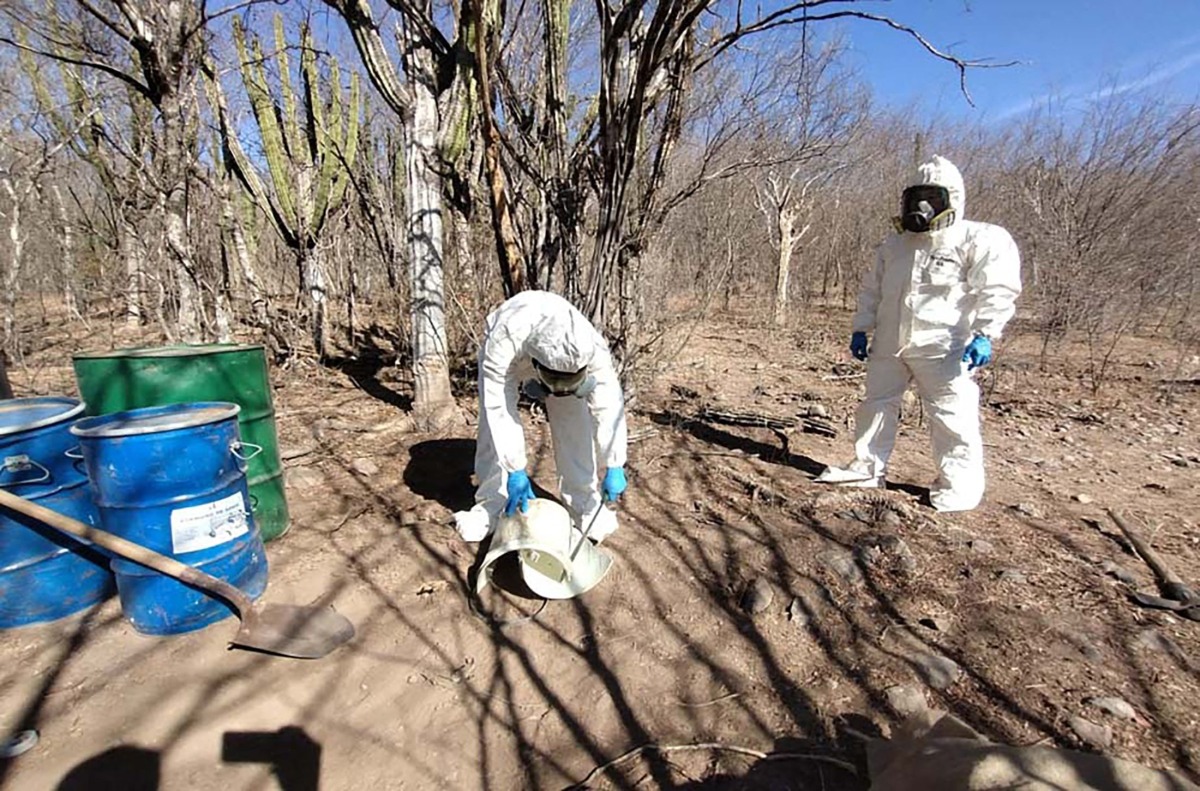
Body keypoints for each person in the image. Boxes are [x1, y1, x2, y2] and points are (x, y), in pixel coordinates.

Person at [816, 155, 1021, 512]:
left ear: (952, 198)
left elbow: (998, 288)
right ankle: (866, 469)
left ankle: (959, 487)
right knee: (876, 406)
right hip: (890, 343)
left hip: (945, 347)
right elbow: (873, 290)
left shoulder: (978, 239)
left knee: (952, 416)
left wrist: (986, 332)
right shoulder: (895, 246)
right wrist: (861, 328)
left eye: (933, 197)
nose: (923, 207)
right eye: (917, 196)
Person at [454, 290, 628, 541]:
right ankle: (493, 503)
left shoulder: (589, 346)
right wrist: (515, 469)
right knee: (493, 430)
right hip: (513, 353)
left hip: (558, 362)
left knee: (575, 425)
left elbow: (609, 403)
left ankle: (583, 505)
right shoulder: (503, 340)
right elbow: (500, 408)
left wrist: (614, 462)